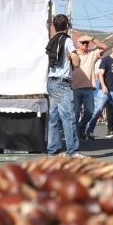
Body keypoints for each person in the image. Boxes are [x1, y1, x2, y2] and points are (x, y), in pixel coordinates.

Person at [45, 14, 81, 157]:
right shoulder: (67, 40)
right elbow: (77, 63)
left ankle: (52, 151)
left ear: (54, 26)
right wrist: (73, 56)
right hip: (62, 83)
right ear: (67, 26)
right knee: (68, 117)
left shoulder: (52, 40)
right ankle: (72, 151)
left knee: (53, 118)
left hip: (51, 82)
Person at [85, 41, 113, 139]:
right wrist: (103, 86)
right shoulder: (106, 60)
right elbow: (100, 74)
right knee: (98, 111)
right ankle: (89, 131)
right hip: (104, 90)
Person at [71, 35, 102, 141]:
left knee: (89, 111)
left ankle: (81, 127)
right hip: (74, 88)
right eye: (83, 42)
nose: (85, 44)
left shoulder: (92, 54)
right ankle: (75, 137)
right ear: (78, 44)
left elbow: (104, 47)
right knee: (75, 113)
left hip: (88, 88)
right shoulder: (72, 54)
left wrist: (92, 39)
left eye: (87, 43)